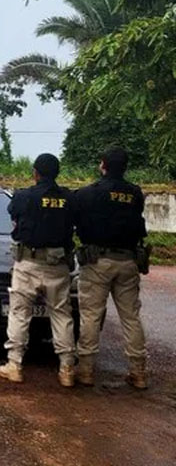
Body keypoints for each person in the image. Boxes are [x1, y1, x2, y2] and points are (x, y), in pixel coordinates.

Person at [0, 153, 77, 387]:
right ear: (57, 173)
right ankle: (67, 369)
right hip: (58, 265)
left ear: (35, 173)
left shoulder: (25, 196)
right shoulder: (69, 198)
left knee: (20, 312)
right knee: (61, 314)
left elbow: (13, 212)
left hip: (29, 263)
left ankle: (14, 365)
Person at [74, 148, 149, 389]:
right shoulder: (135, 194)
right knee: (131, 317)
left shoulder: (88, 193)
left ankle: (85, 371)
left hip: (97, 262)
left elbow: (77, 221)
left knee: (91, 316)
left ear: (102, 165)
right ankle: (138, 372)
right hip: (128, 262)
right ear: (125, 167)